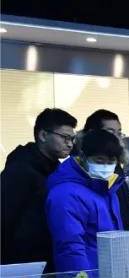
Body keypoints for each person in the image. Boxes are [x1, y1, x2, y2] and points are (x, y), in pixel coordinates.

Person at [1, 108, 77, 269]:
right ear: (43, 135)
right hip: (22, 264)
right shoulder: (20, 170)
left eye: (72, 139)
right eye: (64, 137)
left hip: (49, 260)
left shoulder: (58, 171)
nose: (70, 144)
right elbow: (5, 221)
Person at [44, 129, 125, 276]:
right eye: (99, 161)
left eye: (111, 162)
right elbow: (70, 248)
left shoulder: (108, 189)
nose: (105, 167)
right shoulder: (65, 194)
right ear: (83, 157)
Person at [81, 109, 129, 261]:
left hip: (121, 248)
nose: (117, 138)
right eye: (110, 132)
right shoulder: (88, 172)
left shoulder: (116, 168)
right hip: (99, 258)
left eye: (119, 133)